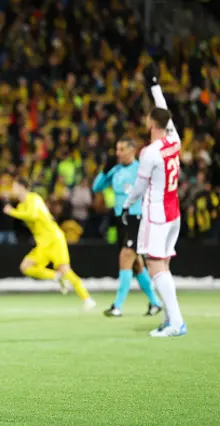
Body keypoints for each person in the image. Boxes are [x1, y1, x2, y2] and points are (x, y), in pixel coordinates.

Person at [122, 68, 186, 338]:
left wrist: (127, 204)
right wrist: (155, 87)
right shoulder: (175, 140)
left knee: (154, 265)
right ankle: (171, 319)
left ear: (150, 123)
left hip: (156, 215)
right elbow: (165, 111)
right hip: (174, 213)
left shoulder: (149, 152)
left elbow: (139, 187)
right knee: (164, 266)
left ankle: (176, 323)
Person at [92, 138, 163, 317]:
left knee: (125, 257)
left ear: (133, 150)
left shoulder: (140, 170)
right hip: (121, 220)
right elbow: (96, 187)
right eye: (117, 149)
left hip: (136, 219)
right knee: (136, 265)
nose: (118, 153)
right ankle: (155, 303)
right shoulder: (115, 170)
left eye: (122, 149)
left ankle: (117, 306)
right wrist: (104, 170)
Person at [4, 178, 96, 309]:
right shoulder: (21, 206)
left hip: (54, 238)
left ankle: (87, 299)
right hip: (42, 243)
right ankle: (57, 276)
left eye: (14, 186)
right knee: (25, 267)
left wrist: (11, 212)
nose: (12, 190)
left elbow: (32, 215)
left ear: (22, 187)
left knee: (65, 269)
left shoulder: (33, 198)